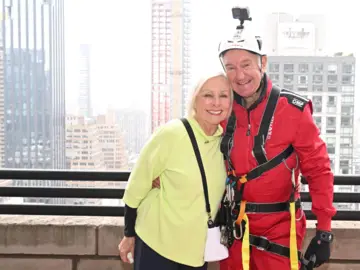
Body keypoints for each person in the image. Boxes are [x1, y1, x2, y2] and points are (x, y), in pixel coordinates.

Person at [215, 7, 336, 270]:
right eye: (231, 68)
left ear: (263, 62)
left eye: (246, 64)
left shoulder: (292, 110)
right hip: (235, 228)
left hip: (281, 229)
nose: (239, 75)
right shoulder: (220, 107)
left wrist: (324, 229)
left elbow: (318, 170)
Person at [118, 72, 233, 270]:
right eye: (207, 95)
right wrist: (129, 235)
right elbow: (137, 184)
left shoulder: (225, 143)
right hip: (157, 245)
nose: (216, 103)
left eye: (223, 96)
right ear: (194, 100)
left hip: (196, 252)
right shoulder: (172, 134)